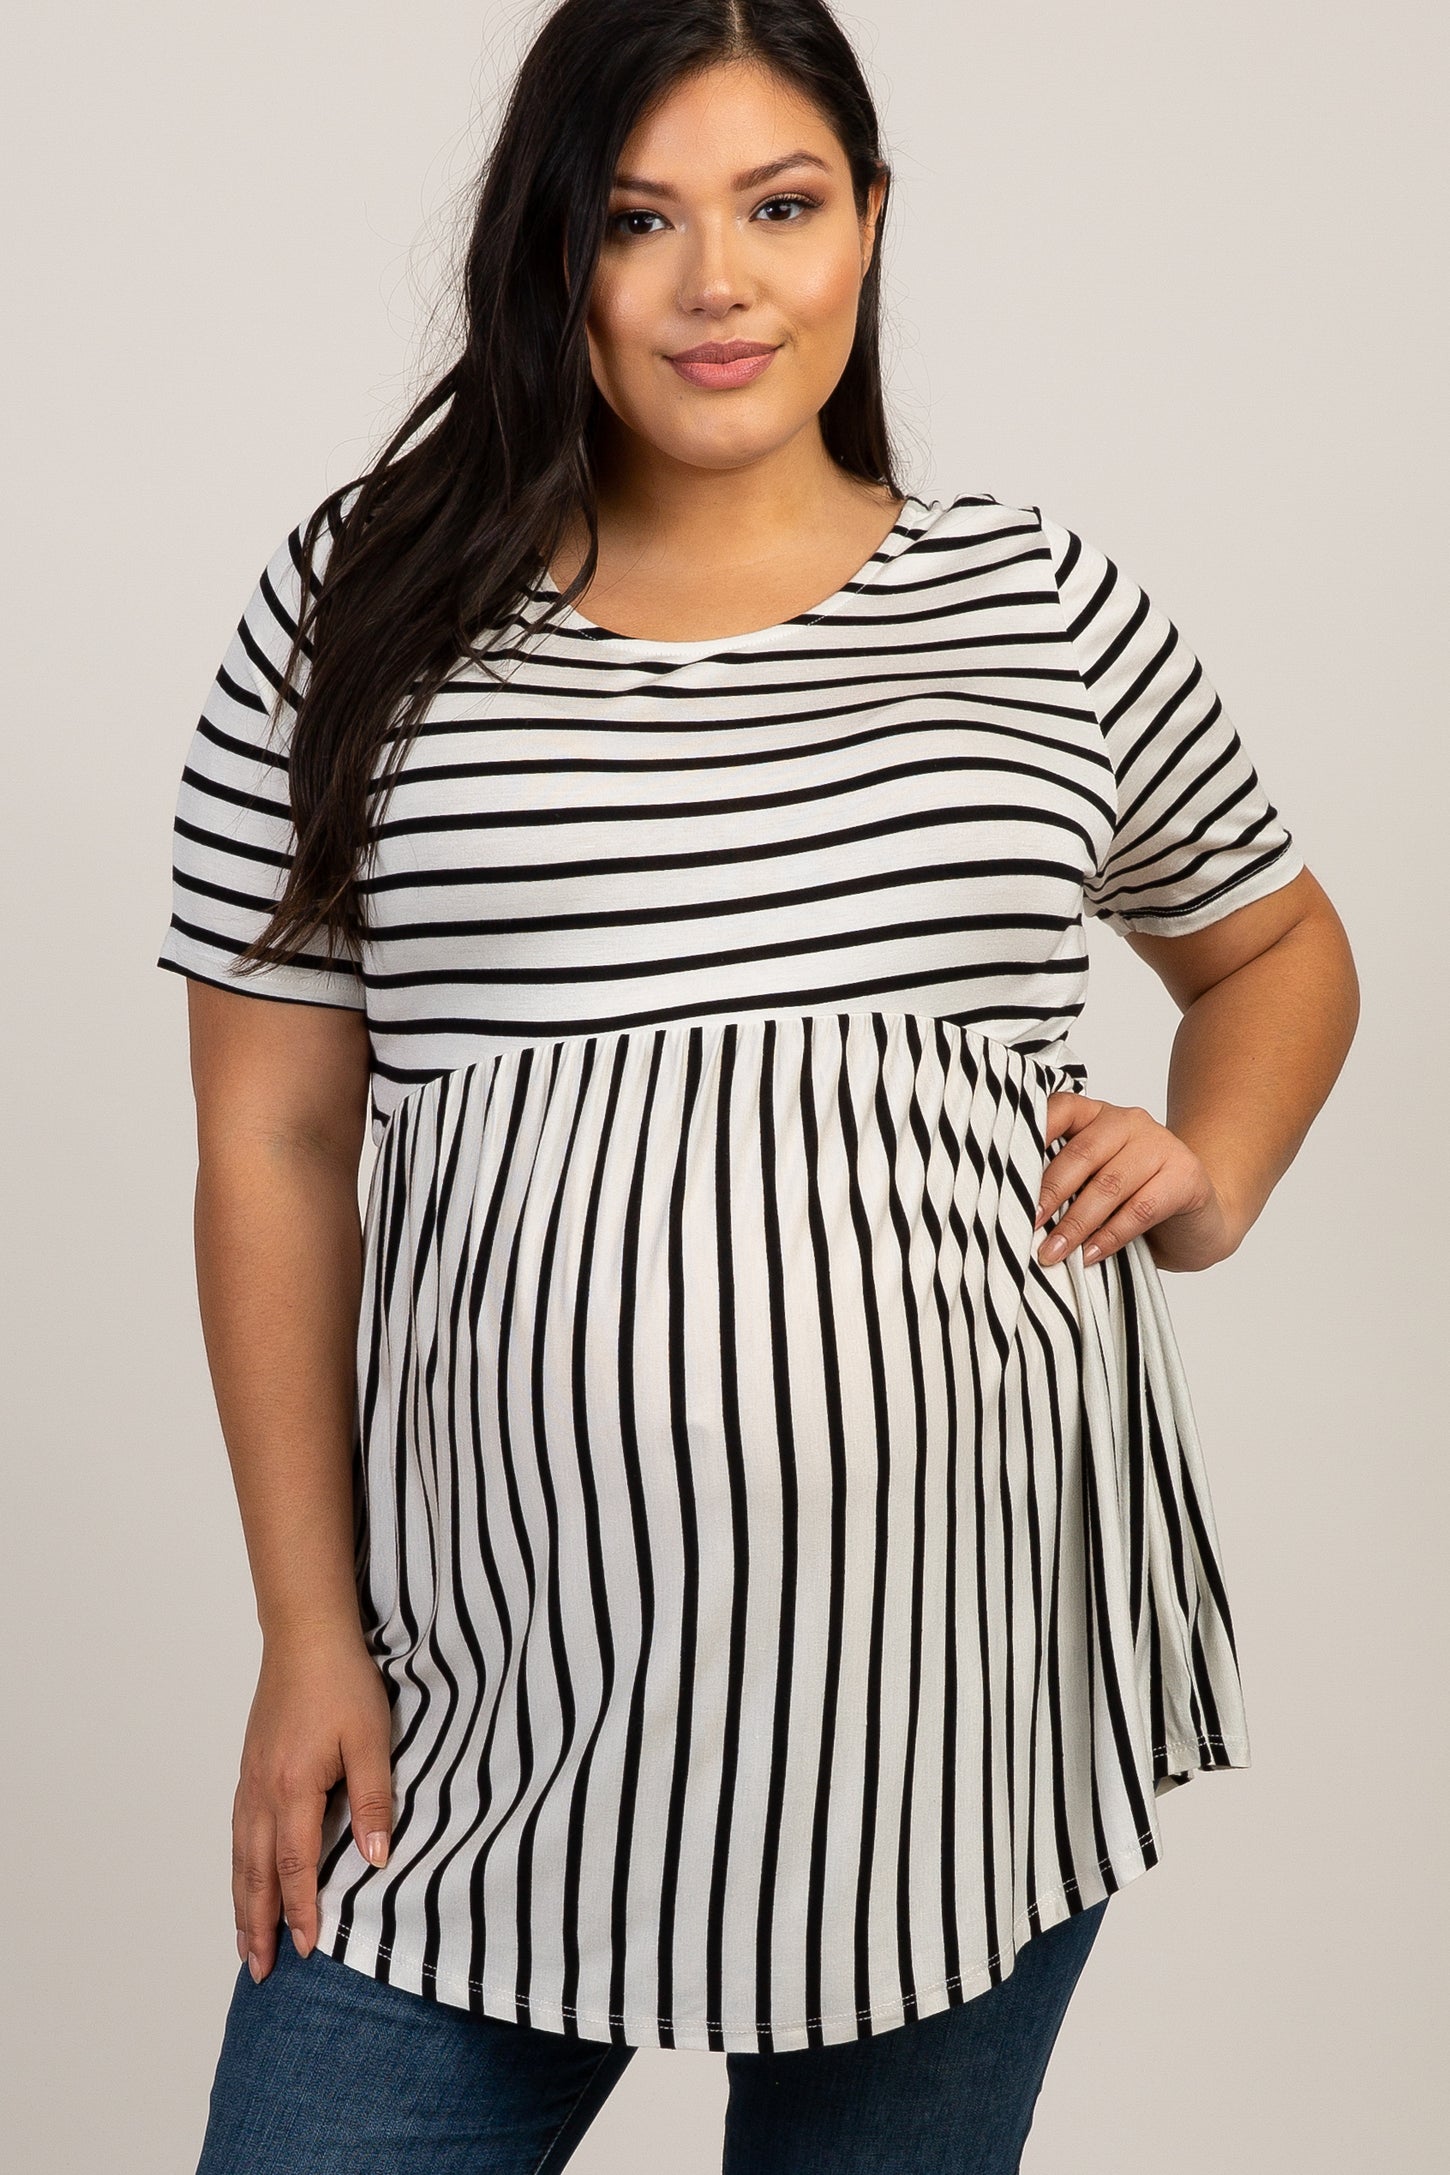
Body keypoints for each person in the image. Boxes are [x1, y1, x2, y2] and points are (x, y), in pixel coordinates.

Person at [156, 2, 1359, 2168]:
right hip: (486, 1707)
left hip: (967, 1704)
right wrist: (305, 1631)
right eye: (638, 221)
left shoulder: (1037, 607)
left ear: (866, 223)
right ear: (549, 251)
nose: (718, 282)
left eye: (779, 207)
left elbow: (1270, 942)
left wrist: (1212, 1168)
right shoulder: (363, 613)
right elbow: (272, 1135)